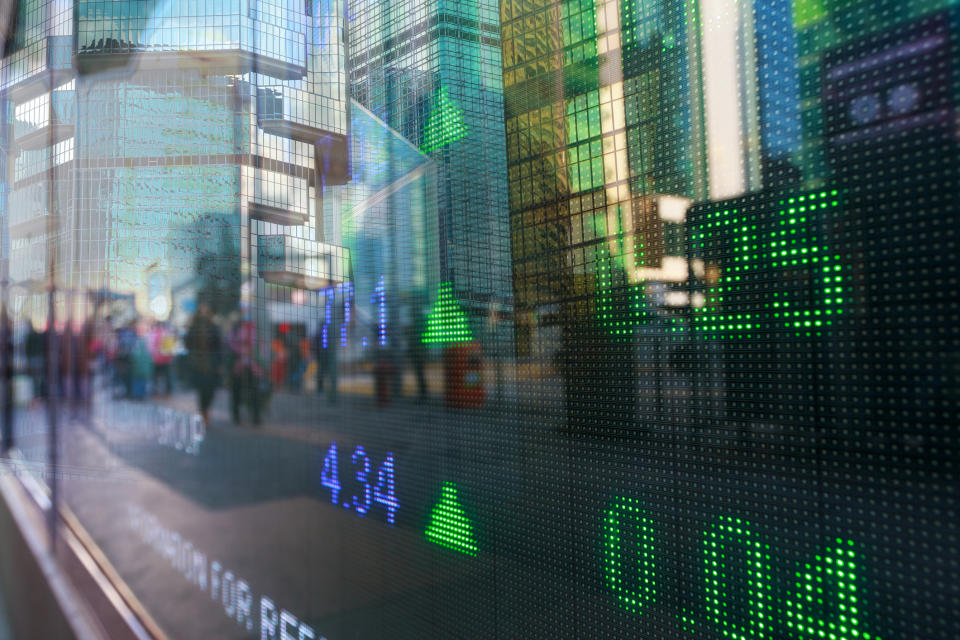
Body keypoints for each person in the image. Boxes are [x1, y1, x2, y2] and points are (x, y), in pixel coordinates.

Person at [184, 302, 221, 426]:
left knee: (210, 390)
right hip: (198, 364)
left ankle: (205, 410)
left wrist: (219, 363)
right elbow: (188, 343)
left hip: (211, 364)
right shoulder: (194, 328)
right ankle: (203, 412)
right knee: (201, 390)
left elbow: (218, 345)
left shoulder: (213, 327)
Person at [229, 314, 263, 426]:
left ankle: (256, 416)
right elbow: (231, 345)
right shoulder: (234, 329)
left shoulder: (253, 330)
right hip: (238, 366)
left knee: (255, 392)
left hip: (252, 367)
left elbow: (259, 347)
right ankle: (236, 415)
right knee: (236, 392)